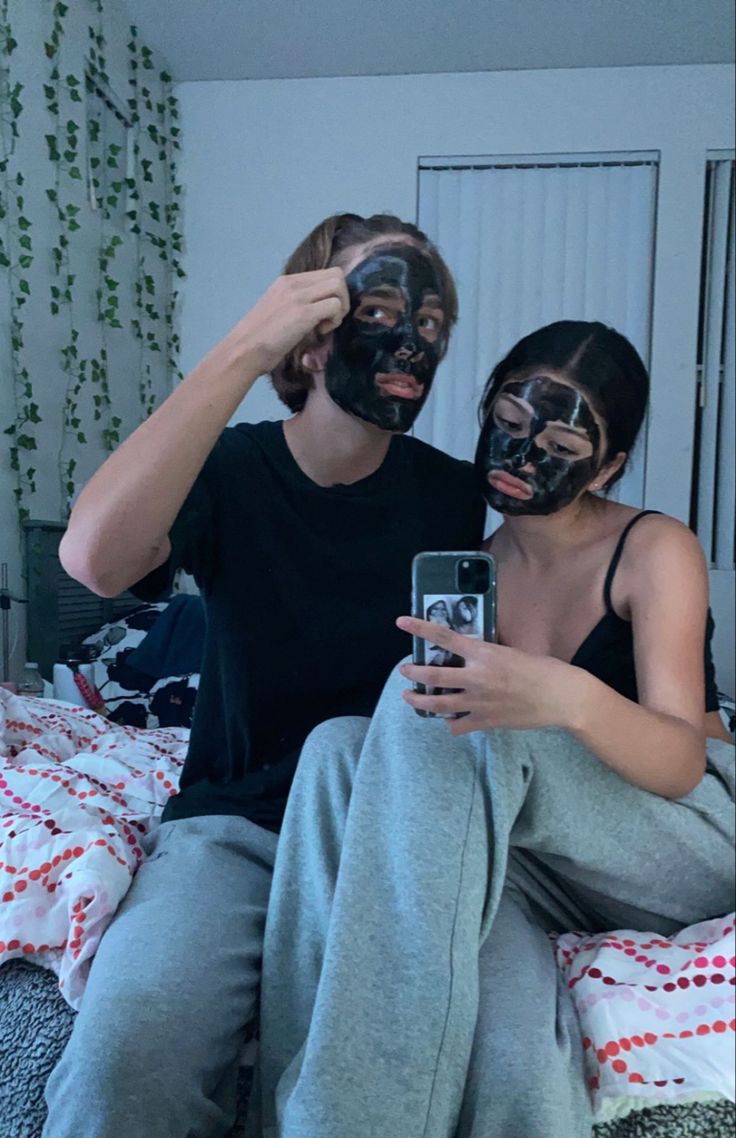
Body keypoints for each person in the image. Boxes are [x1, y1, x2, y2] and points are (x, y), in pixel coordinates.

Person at [42, 212, 486, 1138]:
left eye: (434, 324)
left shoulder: (453, 493)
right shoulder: (234, 471)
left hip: (389, 838)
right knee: (119, 1065)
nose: (413, 341)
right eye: (381, 310)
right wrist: (245, 346)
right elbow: (91, 561)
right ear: (313, 340)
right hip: (230, 829)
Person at [250, 320, 735, 1138]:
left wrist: (564, 695)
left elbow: (683, 759)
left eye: (557, 444)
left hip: (682, 845)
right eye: (507, 429)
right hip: (542, 860)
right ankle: (294, 1110)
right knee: (339, 744)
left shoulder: (654, 548)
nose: (522, 460)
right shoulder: (476, 570)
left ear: (609, 467)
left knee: (446, 724)